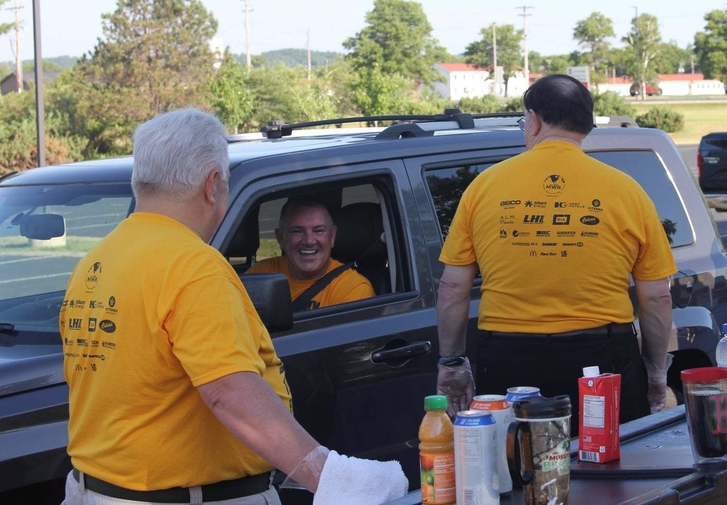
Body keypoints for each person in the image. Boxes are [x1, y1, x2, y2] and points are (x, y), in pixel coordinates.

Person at [59, 109, 405, 505]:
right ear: (213, 184)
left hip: (96, 489)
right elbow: (228, 389)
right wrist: (333, 478)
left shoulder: (98, 259)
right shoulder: (192, 265)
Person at [435, 74, 678, 428]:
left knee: (518, 469)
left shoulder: (483, 187)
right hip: (602, 361)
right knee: (610, 471)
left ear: (533, 120)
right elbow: (656, 296)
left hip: (508, 362)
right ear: (586, 126)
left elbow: (453, 288)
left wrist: (452, 362)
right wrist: (655, 371)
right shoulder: (628, 191)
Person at [248, 196, 375, 309]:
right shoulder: (260, 275)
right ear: (280, 237)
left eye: (318, 230)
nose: (309, 241)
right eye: (297, 231)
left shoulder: (353, 289)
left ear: (332, 236)